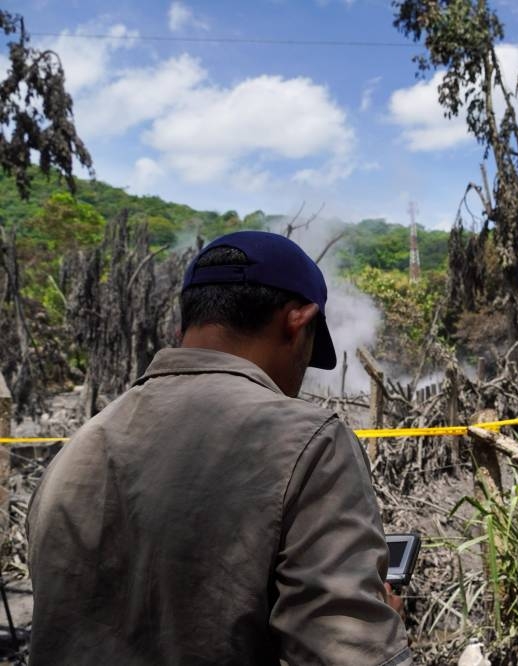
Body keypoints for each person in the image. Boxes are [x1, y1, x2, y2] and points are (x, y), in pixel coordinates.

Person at [27, 231, 411, 665]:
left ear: (183, 327)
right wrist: (379, 627)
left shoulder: (78, 449)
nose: (303, 372)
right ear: (297, 320)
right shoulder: (310, 442)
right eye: (308, 353)